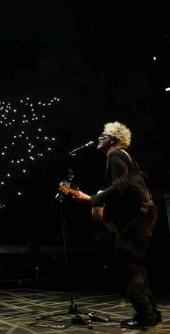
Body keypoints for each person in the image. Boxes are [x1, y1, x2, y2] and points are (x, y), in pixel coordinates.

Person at [60, 121, 160, 328]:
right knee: (136, 265)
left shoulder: (115, 155)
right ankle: (152, 313)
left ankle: (145, 317)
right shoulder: (124, 157)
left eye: (103, 135)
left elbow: (118, 188)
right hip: (144, 213)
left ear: (112, 140)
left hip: (137, 217)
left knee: (129, 265)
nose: (99, 138)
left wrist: (91, 199)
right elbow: (126, 188)